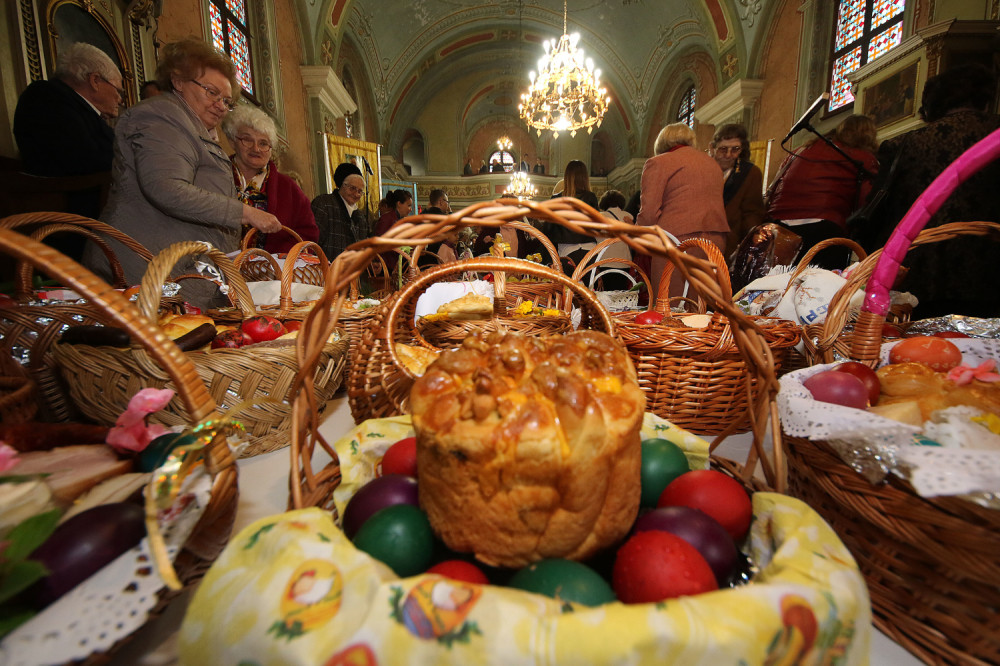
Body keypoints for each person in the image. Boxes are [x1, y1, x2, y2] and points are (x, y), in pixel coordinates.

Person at [83, 38, 280, 309]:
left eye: (226, 100)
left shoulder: (189, 124)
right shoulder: (163, 116)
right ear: (178, 81)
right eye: (212, 93)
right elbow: (166, 188)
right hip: (145, 268)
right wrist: (245, 213)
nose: (221, 106)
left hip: (174, 270)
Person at [865, 63, 1000, 318]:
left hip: (921, 276)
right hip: (989, 273)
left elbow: (878, 212)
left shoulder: (902, 145)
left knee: (920, 350)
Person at [12, 42, 122, 252]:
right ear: (95, 81)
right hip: (67, 213)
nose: (119, 99)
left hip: (90, 204)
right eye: (117, 90)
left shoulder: (75, 106)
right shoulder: (46, 97)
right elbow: (83, 158)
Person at [766, 114, 879, 268]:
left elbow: (776, 187)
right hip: (823, 229)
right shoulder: (862, 157)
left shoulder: (801, 150)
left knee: (778, 286)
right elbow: (867, 202)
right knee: (821, 287)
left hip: (779, 228)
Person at [637, 122, 728, 297]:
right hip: (715, 239)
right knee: (701, 302)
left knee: (670, 303)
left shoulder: (659, 162)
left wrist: (637, 238)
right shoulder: (712, 164)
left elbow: (648, 213)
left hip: (676, 239)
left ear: (661, 143)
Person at [222, 104, 318, 254]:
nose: (256, 149)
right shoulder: (215, 175)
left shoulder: (289, 187)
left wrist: (276, 259)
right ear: (233, 141)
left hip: (270, 272)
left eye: (263, 143)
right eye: (247, 140)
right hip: (215, 267)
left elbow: (307, 233)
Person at [710, 124, 765, 254]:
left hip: (730, 244)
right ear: (712, 148)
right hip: (699, 240)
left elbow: (752, 213)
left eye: (735, 149)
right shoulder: (703, 169)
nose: (729, 155)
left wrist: (750, 243)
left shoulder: (750, 173)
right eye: (723, 149)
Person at [539, 159, 600, 267]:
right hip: (589, 251)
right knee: (588, 284)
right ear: (585, 178)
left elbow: (548, 230)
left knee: (568, 283)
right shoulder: (591, 197)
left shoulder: (557, 199)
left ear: (567, 178)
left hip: (567, 252)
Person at [311, 163, 370, 262]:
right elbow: (313, 241)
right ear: (342, 185)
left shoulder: (360, 216)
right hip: (326, 269)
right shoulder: (324, 203)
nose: (356, 194)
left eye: (360, 191)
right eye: (352, 188)